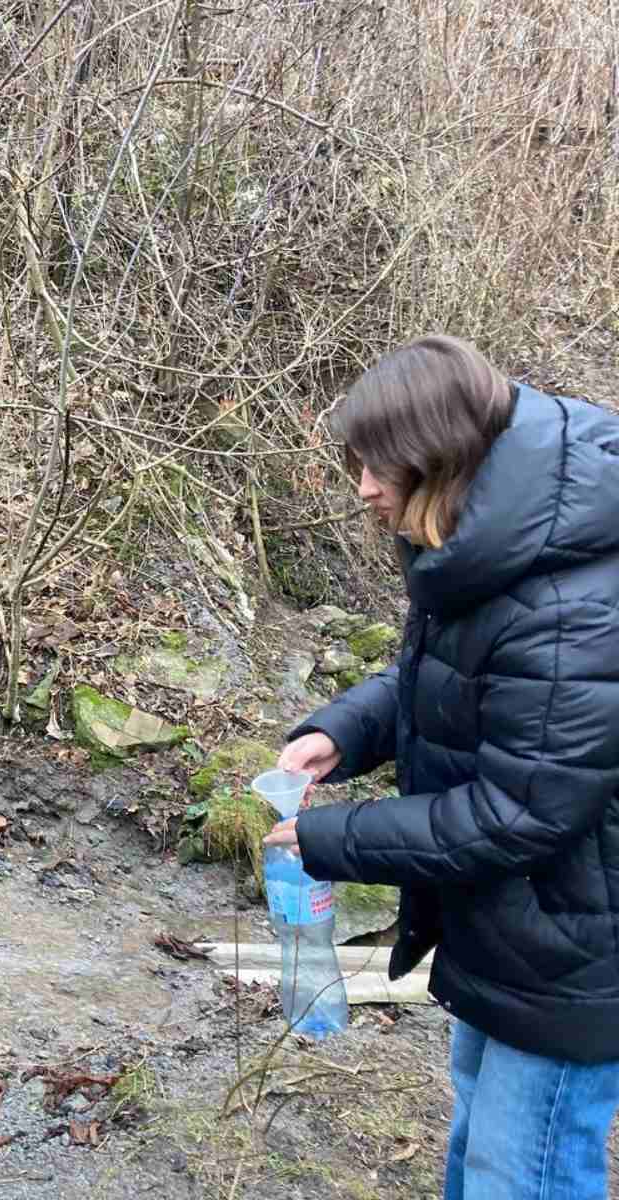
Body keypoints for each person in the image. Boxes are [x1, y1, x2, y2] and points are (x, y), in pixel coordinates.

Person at [262, 335, 619, 1200]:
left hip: (576, 945)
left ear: (441, 457)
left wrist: (330, 839)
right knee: (478, 1151)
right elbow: (446, 682)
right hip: (510, 926)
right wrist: (343, 732)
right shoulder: (487, 547)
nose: (364, 490)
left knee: (521, 1174)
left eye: (379, 468)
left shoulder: (572, 600)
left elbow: (516, 809)